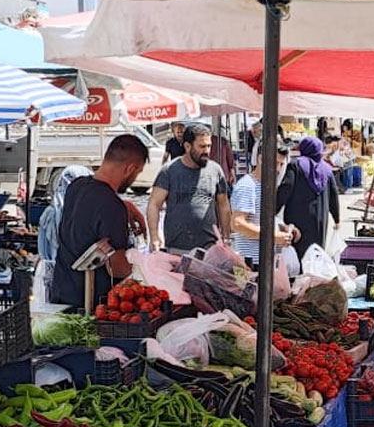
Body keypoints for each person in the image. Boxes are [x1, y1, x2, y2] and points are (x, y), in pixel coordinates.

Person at [51, 134, 150, 310]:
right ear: (129, 169)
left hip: (61, 293)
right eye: (138, 172)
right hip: (90, 304)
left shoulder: (77, 185)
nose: (135, 178)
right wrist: (143, 270)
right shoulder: (112, 206)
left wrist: (124, 205)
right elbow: (117, 268)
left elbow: (91, 213)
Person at [147, 123, 232, 254]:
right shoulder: (169, 171)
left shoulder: (215, 170)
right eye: (202, 146)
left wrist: (226, 236)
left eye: (209, 146)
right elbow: (154, 204)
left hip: (209, 247)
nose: (207, 151)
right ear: (187, 146)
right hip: (177, 248)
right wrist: (154, 236)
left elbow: (223, 204)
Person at [277, 135, 341, 255]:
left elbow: (286, 188)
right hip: (320, 220)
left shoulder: (295, 165)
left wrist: (272, 210)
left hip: (298, 219)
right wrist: (337, 219)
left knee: (297, 255)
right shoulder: (327, 169)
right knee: (316, 254)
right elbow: (334, 195)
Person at [228, 146, 292, 267]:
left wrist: (280, 227)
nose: (278, 169)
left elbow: (257, 219)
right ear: (260, 159)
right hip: (248, 262)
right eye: (275, 163)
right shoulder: (248, 186)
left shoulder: (264, 185)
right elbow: (237, 224)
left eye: (281, 164)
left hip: (261, 261)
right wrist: (273, 236)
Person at [38, 163, 92, 301]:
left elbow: (44, 251)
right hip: (79, 278)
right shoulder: (85, 212)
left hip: (57, 278)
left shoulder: (51, 213)